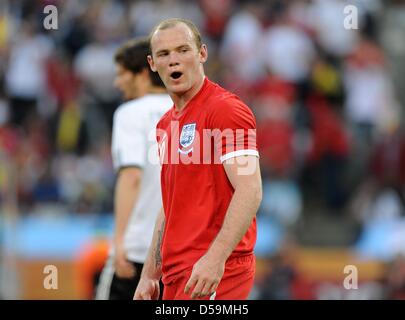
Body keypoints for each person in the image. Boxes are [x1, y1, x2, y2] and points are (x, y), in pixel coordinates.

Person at [134, 18, 262, 300]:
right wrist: (149, 275)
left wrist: (215, 259)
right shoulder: (165, 125)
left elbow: (250, 189)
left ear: (202, 53)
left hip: (214, 272)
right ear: (152, 64)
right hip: (177, 276)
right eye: (164, 55)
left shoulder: (225, 110)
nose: (174, 61)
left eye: (183, 50)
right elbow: (170, 206)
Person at [95, 37, 172, 300]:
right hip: (178, 253)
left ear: (141, 73)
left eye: (121, 74)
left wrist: (119, 241)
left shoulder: (130, 113)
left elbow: (131, 177)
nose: (117, 82)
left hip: (138, 247)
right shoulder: (187, 111)